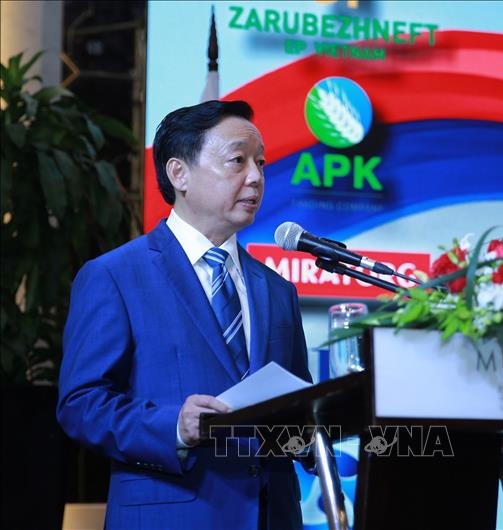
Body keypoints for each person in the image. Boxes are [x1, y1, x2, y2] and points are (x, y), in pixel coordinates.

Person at [57, 100, 312, 530]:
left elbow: (295, 408)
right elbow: (80, 405)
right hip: (171, 515)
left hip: (274, 516)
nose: (256, 177)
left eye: (261, 164)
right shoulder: (115, 276)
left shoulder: (277, 290)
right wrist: (173, 425)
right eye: (237, 161)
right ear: (179, 174)